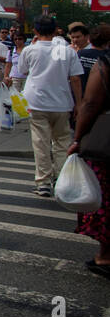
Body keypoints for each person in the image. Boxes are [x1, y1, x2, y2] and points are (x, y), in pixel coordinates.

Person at [10, 14, 83, 196]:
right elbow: (75, 78)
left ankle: (43, 182)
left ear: (35, 31)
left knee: (41, 143)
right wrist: (79, 103)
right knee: (62, 142)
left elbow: (23, 71)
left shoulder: (29, 50)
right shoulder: (67, 51)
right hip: (62, 102)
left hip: (36, 101)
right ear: (56, 30)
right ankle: (61, 177)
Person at [69, 45, 110, 279]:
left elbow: (91, 103)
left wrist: (77, 138)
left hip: (105, 143)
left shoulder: (105, 64)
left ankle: (106, 255)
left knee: (105, 196)